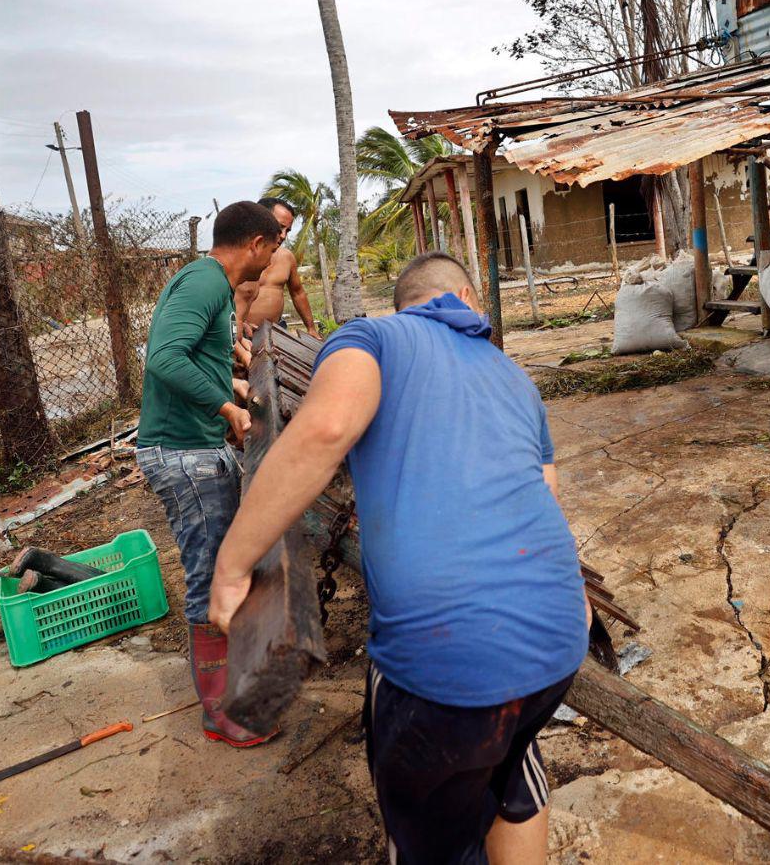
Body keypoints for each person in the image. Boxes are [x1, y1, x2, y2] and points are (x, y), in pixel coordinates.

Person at [208, 251, 590, 863]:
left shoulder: (370, 337)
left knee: (428, 840)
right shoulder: (513, 376)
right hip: (559, 641)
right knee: (510, 763)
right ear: (467, 299)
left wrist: (231, 568)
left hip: (444, 661)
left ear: (404, 304)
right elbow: (544, 497)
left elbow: (327, 429)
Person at [135, 200, 281, 747]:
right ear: (256, 244)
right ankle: (221, 711)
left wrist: (235, 387)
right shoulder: (205, 283)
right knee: (212, 576)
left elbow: (197, 357)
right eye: (272, 249)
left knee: (225, 565)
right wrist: (227, 409)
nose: (272, 262)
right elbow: (164, 359)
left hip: (195, 447)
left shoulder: (212, 284)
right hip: (183, 454)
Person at [234, 197, 320, 339]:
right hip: (241, 336)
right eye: (280, 227)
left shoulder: (287, 257)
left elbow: (298, 293)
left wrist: (311, 328)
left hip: (277, 333)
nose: (284, 235)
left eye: (288, 230)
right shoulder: (235, 257)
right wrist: (238, 325)